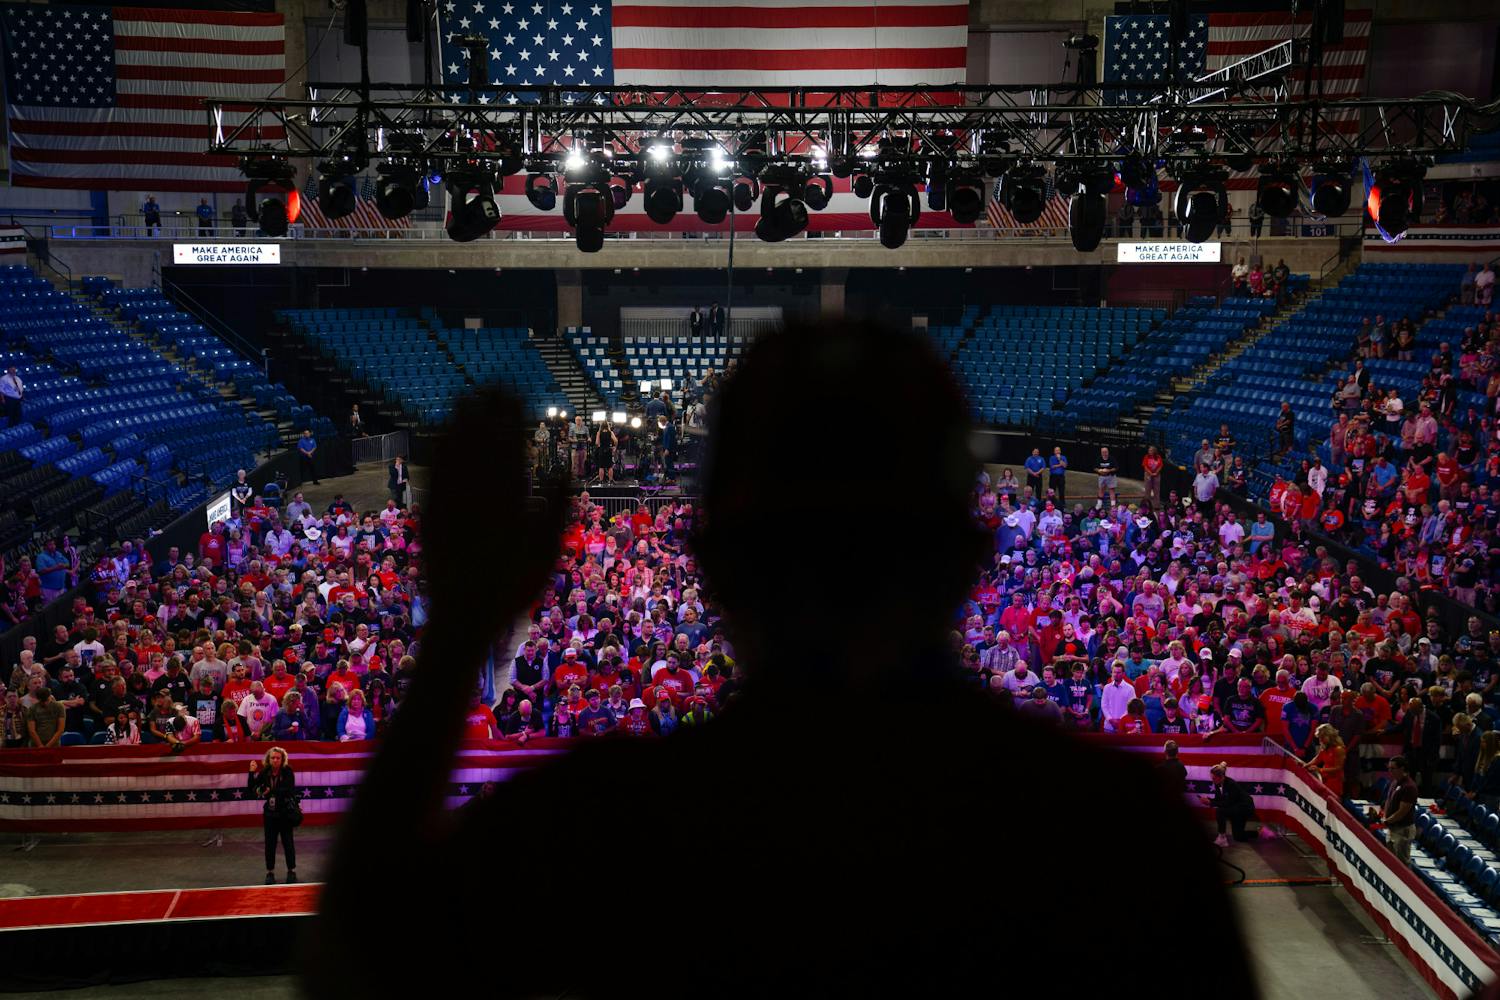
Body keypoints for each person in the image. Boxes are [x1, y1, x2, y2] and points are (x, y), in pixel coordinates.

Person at [308, 324, 1253, 999]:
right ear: (971, 556)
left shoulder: (612, 824)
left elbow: (362, 955)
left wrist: (460, 632)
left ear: (713, 566)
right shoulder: (1121, 837)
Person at [248, 746, 299, 883]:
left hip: (285, 813)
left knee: (288, 843)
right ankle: (270, 872)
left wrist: (268, 791)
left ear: (282, 759)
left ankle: (291, 871)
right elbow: (251, 789)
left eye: (278, 758)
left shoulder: (287, 771)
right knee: (270, 844)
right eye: (273, 758)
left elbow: (288, 790)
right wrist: (251, 773)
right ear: (268, 759)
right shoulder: (265, 772)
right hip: (270, 814)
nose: (275, 760)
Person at [1377, 755, 1418, 864]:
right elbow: (1388, 800)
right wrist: (1385, 816)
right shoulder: (1394, 782)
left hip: (1402, 829)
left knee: (1401, 862)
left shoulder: (1409, 787)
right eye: (1389, 768)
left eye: (1393, 768)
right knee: (1391, 860)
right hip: (1392, 827)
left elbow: (1402, 812)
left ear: (1402, 769)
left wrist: (1387, 821)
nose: (1390, 771)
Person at [1204, 762, 1256, 846]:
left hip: (1244, 808)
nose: (1212, 780)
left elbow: (1228, 803)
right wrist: (1208, 800)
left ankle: (1222, 838)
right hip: (1235, 807)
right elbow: (1218, 800)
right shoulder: (1218, 784)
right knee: (1238, 837)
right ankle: (1258, 832)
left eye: (1214, 778)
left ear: (1221, 777)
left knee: (1220, 811)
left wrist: (1211, 803)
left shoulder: (1231, 784)